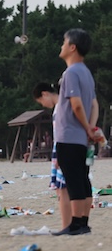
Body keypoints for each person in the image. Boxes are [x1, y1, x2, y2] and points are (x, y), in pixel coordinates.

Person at [52, 28, 99, 235]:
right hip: (81, 138)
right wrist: (91, 127)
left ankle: (76, 224)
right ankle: (84, 223)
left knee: (73, 180)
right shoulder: (86, 72)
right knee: (82, 178)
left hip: (69, 134)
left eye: (64, 42)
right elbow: (94, 105)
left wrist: (86, 127)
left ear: (72, 47)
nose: (61, 46)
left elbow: (77, 105)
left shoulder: (70, 73)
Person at [33, 83, 71, 230]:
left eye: (41, 101)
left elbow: (63, 131)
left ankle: (66, 225)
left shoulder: (61, 106)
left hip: (63, 146)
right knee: (60, 189)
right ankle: (68, 224)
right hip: (61, 146)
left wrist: (60, 155)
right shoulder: (61, 106)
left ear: (45, 94)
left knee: (63, 189)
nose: (44, 105)